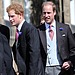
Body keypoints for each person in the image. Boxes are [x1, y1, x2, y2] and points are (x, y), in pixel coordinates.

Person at [37, 1, 75, 75]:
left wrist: (70, 62)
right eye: (44, 13)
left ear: (54, 12)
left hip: (62, 69)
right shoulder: (38, 30)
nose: (46, 15)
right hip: (45, 69)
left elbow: (73, 49)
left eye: (48, 13)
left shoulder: (65, 28)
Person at [6, 3, 41, 75]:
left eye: (12, 16)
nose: (10, 19)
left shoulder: (29, 30)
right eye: (9, 17)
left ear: (20, 15)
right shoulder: (18, 31)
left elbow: (34, 55)